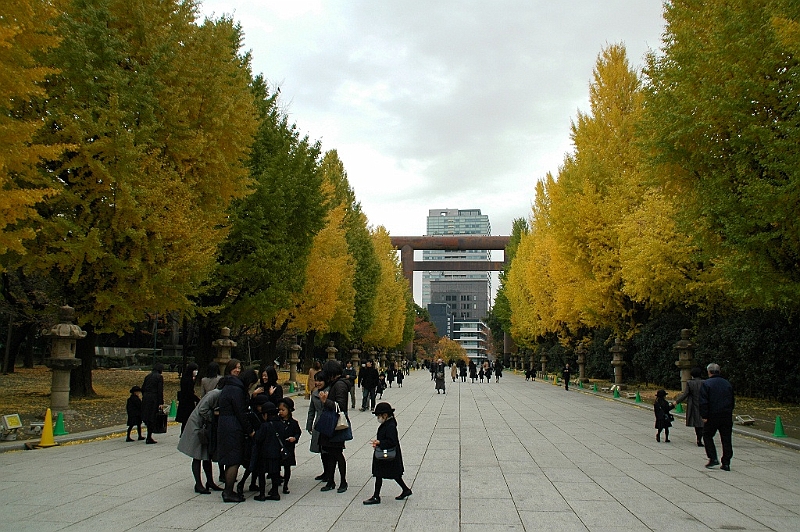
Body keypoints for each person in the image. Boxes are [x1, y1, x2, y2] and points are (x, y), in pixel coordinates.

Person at [216, 359, 255, 502]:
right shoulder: (236, 388)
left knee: (229, 458)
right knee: (234, 459)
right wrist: (249, 430)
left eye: (239, 368)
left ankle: (228, 489)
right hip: (233, 426)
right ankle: (228, 492)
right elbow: (240, 412)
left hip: (224, 424)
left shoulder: (227, 385)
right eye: (235, 368)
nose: (238, 370)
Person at [177, 378, 225, 494]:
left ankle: (210, 481)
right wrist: (214, 415)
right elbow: (202, 409)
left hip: (204, 426)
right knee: (198, 455)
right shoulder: (215, 394)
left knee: (206, 455)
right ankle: (198, 483)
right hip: (198, 426)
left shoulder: (218, 394)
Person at [363, 402, 412, 505]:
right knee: (389, 474)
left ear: (385, 415)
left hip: (388, 454)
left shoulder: (390, 426)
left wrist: (380, 442)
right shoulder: (389, 423)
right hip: (387, 454)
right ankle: (405, 489)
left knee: (382, 474)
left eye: (379, 416)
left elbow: (392, 441)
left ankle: (376, 496)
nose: (378, 418)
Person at [318, 360, 352, 493]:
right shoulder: (336, 383)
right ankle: (331, 481)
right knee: (331, 453)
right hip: (331, 424)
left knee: (337, 454)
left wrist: (326, 402)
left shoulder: (340, 385)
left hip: (336, 425)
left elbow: (341, 406)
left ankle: (343, 481)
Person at [699, 363, 735, 471]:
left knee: (707, 435)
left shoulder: (707, 384)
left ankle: (713, 457)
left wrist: (704, 415)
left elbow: (703, 401)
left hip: (712, 415)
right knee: (726, 439)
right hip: (726, 415)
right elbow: (732, 400)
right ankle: (726, 462)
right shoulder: (727, 383)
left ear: (709, 372)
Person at [251, 399, 284, 501]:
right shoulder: (280, 424)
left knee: (261, 474)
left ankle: (262, 494)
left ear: (266, 415)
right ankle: (275, 492)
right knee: (274, 474)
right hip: (276, 454)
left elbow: (258, 438)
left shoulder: (264, 425)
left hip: (264, 454)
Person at [673, 367, 705, 447]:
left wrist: (677, 401)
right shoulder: (705, 382)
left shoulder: (690, 383)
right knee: (703, 422)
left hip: (693, 404)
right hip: (703, 403)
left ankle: (698, 438)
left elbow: (685, 394)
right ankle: (702, 437)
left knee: (697, 423)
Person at [306, 370, 328, 480]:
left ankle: (330, 472)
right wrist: (309, 425)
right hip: (318, 422)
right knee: (320, 449)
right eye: (316, 380)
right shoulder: (314, 393)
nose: (318, 383)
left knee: (328, 449)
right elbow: (311, 411)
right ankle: (325, 471)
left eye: (320, 380)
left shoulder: (329, 392)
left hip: (328, 422)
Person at [277, 397, 301, 494]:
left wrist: (294, 438)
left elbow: (298, 432)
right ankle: (277, 480)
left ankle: (286, 484)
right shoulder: (277, 421)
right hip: (279, 447)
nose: (281, 412)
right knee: (277, 466)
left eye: (283, 410)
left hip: (289, 447)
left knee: (287, 466)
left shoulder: (294, 423)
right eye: (279, 410)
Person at [141, 363, 165, 444]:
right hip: (154, 398)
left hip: (146, 397)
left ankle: (148, 433)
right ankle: (149, 436)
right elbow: (160, 390)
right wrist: (161, 402)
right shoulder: (159, 377)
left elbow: (143, 388)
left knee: (147, 416)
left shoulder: (148, 376)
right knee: (152, 416)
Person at [176, 363, 200, 435]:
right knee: (188, 419)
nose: (196, 371)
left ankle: (183, 433)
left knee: (185, 420)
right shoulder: (188, 380)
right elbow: (189, 392)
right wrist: (197, 399)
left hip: (184, 401)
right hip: (188, 402)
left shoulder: (185, 378)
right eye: (195, 370)